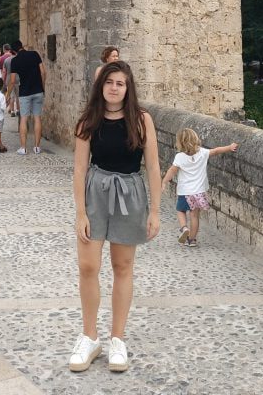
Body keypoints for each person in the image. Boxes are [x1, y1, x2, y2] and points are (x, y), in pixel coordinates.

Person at [69, 60, 161, 374]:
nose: (114, 88)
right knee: (88, 265)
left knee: (122, 266)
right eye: (110, 82)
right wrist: (81, 212)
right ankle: (89, 336)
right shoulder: (88, 120)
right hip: (96, 190)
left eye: (120, 83)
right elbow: (80, 168)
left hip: (131, 193)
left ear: (128, 87)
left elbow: (153, 168)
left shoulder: (142, 119)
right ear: (102, 85)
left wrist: (156, 211)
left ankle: (117, 339)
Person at [162, 128, 239, 246]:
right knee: (194, 216)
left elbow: (172, 171)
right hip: (199, 192)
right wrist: (229, 147)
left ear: (180, 143)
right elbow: (216, 151)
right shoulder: (202, 153)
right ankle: (192, 240)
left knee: (180, 210)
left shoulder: (180, 157)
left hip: (185, 192)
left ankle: (184, 228)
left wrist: (164, 182)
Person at [6, 39, 45, 154]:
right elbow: (43, 72)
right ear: (22, 46)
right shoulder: (34, 54)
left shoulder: (15, 61)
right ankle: (37, 147)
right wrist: (42, 87)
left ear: (13, 51)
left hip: (24, 92)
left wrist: (8, 95)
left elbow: (12, 81)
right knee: (37, 118)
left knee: (24, 118)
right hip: (38, 90)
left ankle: (23, 148)